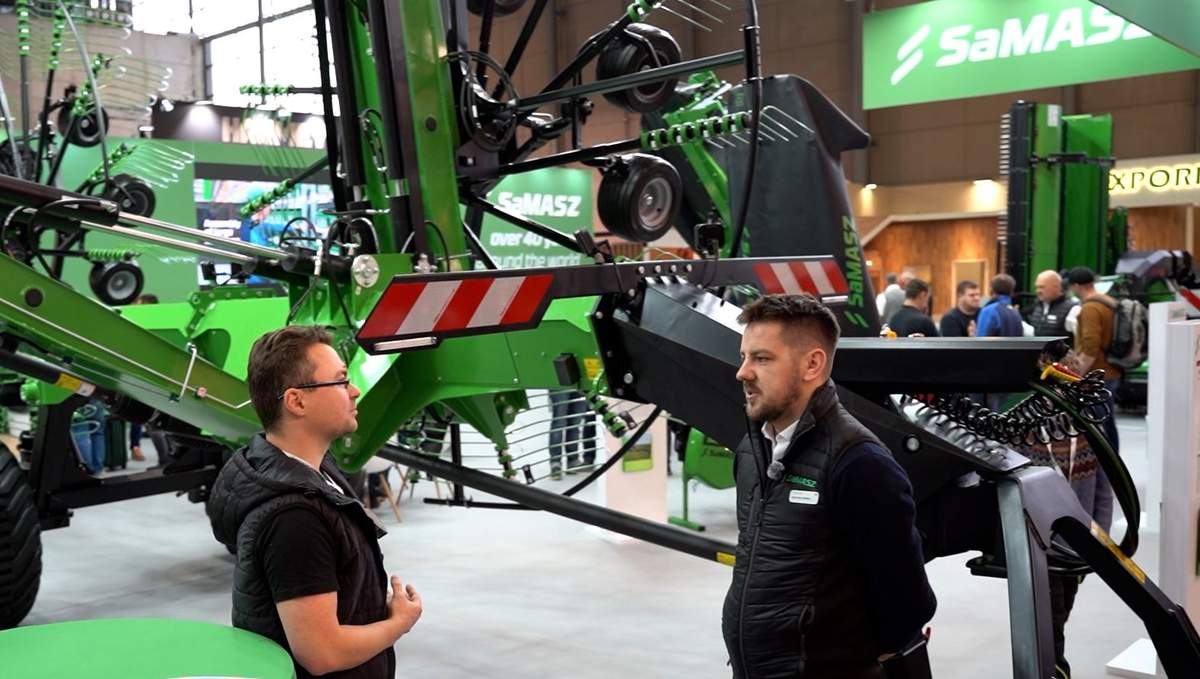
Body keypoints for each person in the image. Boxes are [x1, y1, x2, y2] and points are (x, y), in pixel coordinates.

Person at [722, 294, 936, 678]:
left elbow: (907, 597)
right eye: (744, 357)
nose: (743, 372)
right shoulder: (751, 451)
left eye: (762, 358)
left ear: (812, 364)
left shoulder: (859, 463)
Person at [206, 326, 422, 678]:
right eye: (340, 382)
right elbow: (323, 654)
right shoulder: (295, 516)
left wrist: (364, 604)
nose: (354, 391)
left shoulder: (311, 472)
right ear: (297, 401)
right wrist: (399, 622)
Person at [1065, 266, 1122, 454]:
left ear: (1076, 286)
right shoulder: (1110, 303)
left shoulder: (1090, 308)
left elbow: (1090, 346)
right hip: (1111, 368)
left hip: (1097, 374)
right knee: (1107, 421)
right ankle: (1114, 464)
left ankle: (1108, 467)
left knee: (1099, 425)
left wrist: (1077, 376)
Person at [548, 388, 597, 479]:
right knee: (559, 422)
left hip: (580, 384)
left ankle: (572, 461)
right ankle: (555, 463)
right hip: (558, 383)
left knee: (575, 422)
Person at [1028, 270, 1077, 338]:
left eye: (1042, 287)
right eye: (1037, 287)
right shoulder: (1037, 307)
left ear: (1056, 286)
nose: (1038, 291)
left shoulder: (1073, 309)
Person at [976, 274, 1024, 338]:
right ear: (1011, 291)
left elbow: (981, 340)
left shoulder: (989, 311)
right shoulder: (1015, 313)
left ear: (991, 289)